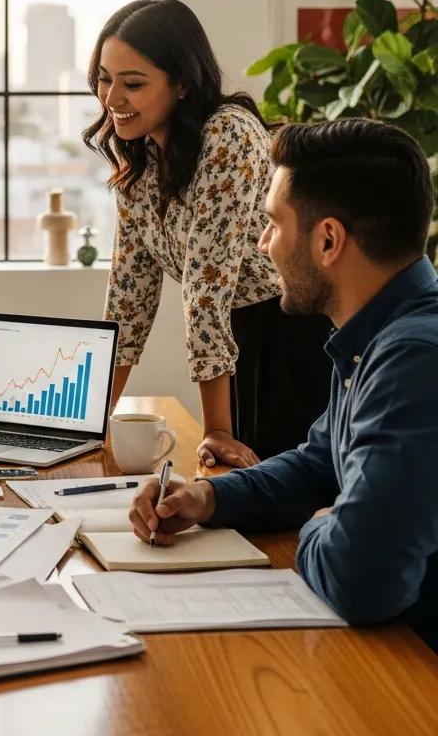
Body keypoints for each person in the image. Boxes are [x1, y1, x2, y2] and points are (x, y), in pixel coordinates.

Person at [129, 120, 438, 651]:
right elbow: (319, 464)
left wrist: (318, 528)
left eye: (273, 223)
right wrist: (206, 497)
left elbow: (361, 581)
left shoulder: (414, 358)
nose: (263, 243)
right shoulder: (374, 334)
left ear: (328, 240)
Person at [83, 0, 332, 467]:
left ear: (181, 84)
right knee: (238, 499)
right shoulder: (139, 157)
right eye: (104, 78)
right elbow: (128, 298)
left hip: (290, 337)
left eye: (133, 83)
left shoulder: (228, 136)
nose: (112, 99)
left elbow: (206, 286)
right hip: (234, 342)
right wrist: (94, 419)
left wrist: (217, 429)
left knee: (278, 507)